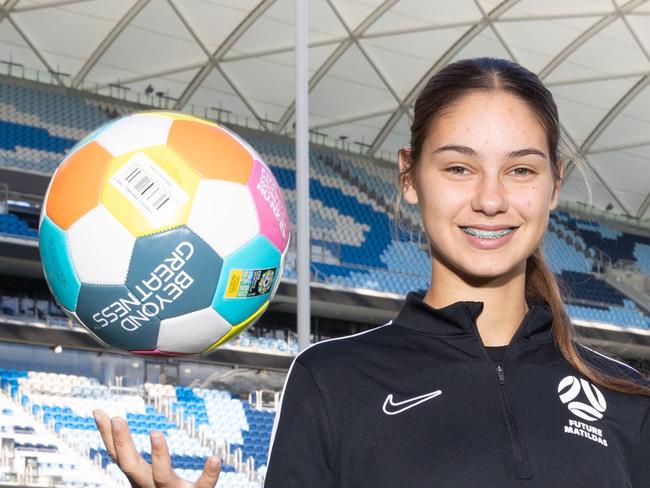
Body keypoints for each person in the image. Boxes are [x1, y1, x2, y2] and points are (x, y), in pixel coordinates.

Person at [93, 57, 650, 487]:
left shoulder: (628, 398)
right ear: (410, 178)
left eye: (520, 170)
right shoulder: (332, 382)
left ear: (555, 184)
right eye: (459, 167)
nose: (490, 199)